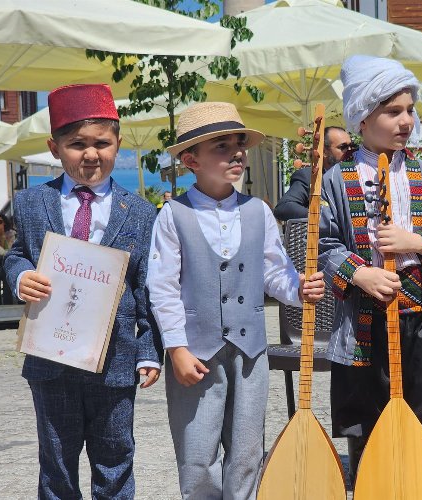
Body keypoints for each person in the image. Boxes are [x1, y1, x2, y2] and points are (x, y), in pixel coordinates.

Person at [147, 102, 325, 500]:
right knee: (198, 455)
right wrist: (175, 348)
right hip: (196, 353)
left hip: (250, 354)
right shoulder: (173, 215)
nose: (236, 152)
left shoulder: (258, 211)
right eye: (221, 146)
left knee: (247, 453)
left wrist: (297, 287)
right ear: (191, 160)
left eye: (239, 144)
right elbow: (162, 288)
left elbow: (273, 271)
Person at [2, 83, 161, 499]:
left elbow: (145, 285)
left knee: (115, 455)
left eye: (101, 143)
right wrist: (20, 277)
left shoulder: (141, 212)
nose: (91, 154)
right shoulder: (33, 202)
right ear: (55, 148)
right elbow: (17, 254)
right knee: (55, 460)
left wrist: (148, 349)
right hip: (50, 355)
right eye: (77, 144)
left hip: (116, 357)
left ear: (118, 145)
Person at [319, 55, 422, 487]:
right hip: (364, 319)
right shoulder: (336, 180)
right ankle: (369, 483)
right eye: (393, 111)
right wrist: (360, 273)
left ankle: (414, 481)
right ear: (362, 118)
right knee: (366, 408)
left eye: (409, 110)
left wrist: (417, 242)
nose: (406, 121)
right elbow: (324, 244)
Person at [273, 126, 354, 221]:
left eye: (352, 146)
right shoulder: (309, 176)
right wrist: (321, 217)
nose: (350, 151)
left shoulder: (358, 174)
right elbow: (284, 207)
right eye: (343, 147)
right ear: (324, 152)